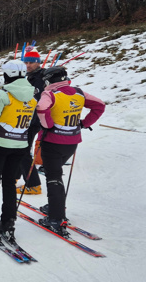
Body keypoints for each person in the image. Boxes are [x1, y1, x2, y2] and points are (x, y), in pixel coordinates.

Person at [36, 66, 105, 235]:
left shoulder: (50, 94)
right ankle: (56, 207)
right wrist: (84, 123)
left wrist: (48, 125)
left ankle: (56, 218)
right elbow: (99, 105)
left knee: (53, 178)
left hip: (52, 141)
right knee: (56, 174)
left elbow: (41, 109)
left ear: (49, 80)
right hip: (72, 141)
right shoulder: (78, 92)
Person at [0, 61, 36, 240]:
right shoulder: (32, 96)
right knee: (9, 182)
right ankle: (9, 221)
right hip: (20, 144)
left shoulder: (3, 94)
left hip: (0, 143)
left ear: (8, 75)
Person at [18, 48, 45, 195]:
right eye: (26, 62)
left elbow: (38, 101)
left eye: (31, 63)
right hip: (27, 119)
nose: (28, 65)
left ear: (38, 63)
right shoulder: (30, 76)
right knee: (19, 148)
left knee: (23, 150)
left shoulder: (39, 79)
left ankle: (33, 184)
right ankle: (16, 176)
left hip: (33, 120)